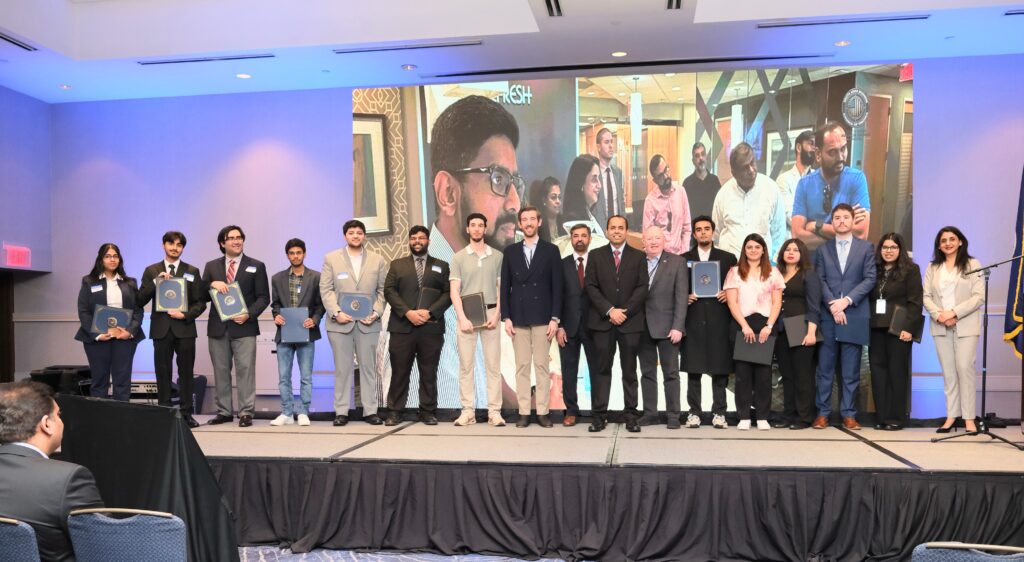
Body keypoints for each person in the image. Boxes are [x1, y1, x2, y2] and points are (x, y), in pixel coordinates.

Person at [427, 94, 522, 409]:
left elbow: (480, 377)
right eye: (498, 179)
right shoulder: (431, 315)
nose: (515, 203)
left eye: (513, 182)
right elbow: (444, 434)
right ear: (448, 193)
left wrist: (522, 404)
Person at [0, 380, 104, 562]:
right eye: (58, 415)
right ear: (46, 424)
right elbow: (103, 549)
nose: (62, 421)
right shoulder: (67, 479)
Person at [812, 204, 876, 430]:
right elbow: (819, 280)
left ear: (853, 220)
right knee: (825, 369)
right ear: (832, 222)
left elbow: (870, 278)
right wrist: (833, 305)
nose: (841, 221)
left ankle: (849, 414)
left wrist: (846, 301)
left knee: (851, 371)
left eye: (845, 217)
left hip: (854, 314)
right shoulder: (822, 249)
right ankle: (823, 413)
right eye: (837, 217)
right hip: (829, 316)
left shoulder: (866, 247)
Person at [320, 220, 388, 426]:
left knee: (369, 369)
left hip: (368, 323)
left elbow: (383, 290)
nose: (356, 236)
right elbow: (326, 290)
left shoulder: (378, 260)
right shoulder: (331, 258)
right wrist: (336, 313)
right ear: (345, 236)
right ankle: (341, 411)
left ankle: (370, 411)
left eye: (359, 232)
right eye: (351, 233)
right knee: (343, 369)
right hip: (340, 324)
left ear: (364, 235)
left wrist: (376, 313)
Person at [585, 215, 648, 433]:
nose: (617, 231)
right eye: (613, 228)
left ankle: (631, 415)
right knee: (601, 370)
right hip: (603, 322)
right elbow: (591, 286)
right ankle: (599, 416)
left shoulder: (639, 257)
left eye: (621, 227)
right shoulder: (595, 255)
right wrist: (610, 310)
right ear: (607, 231)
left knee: (629, 371)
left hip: (630, 323)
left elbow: (642, 287)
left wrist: (625, 311)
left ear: (626, 231)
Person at [500, 206, 562, 428]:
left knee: (542, 366)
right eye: (524, 219)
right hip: (518, 317)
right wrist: (506, 317)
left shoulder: (551, 250)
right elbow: (505, 287)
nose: (528, 223)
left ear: (539, 222)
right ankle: (524, 412)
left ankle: (543, 412)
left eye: (532, 219)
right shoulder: (511, 252)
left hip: (544, 317)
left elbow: (558, 287)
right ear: (520, 223)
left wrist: (555, 318)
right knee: (522, 366)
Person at [383, 226, 452, 426]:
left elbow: (448, 293)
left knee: (429, 372)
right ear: (409, 241)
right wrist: (408, 313)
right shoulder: (397, 265)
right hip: (402, 327)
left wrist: (429, 312)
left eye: (421, 238)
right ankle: (395, 411)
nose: (417, 241)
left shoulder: (442, 265)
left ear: (428, 241)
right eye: (413, 238)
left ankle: (428, 411)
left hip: (431, 328)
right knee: (399, 372)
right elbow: (389, 291)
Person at [202, 225, 270, 428]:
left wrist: (248, 314)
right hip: (218, 327)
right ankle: (223, 412)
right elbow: (200, 294)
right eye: (231, 238)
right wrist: (211, 285)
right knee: (221, 370)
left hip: (245, 327)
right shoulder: (211, 266)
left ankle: (246, 412)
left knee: (246, 371)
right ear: (222, 243)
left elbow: (263, 298)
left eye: (239, 237)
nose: (236, 241)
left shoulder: (256, 265)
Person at [138, 231, 206, 427]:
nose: (175, 248)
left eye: (179, 245)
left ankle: (186, 414)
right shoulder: (151, 270)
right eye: (171, 244)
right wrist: (156, 282)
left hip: (185, 328)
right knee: (162, 372)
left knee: (186, 373)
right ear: (163, 245)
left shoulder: (192, 271)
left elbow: (200, 303)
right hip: (161, 329)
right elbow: (139, 300)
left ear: (183, 248)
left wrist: (185, 314)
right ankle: (165, 414)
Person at [923, 226, 984, 433]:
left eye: (952, 239)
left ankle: (969, 419)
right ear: (939, 246)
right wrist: (939, 315)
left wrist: (954, 313)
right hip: (940, 325)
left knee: (964, 369)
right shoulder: (933, 267)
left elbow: (978, 297)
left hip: (966, 325)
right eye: (943, 241)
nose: (948, 243)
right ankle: (951, 416)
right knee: (949, 373)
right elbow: (926, 297)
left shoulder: (973, 264)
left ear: (960, 241)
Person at [681, 216, 737, 429]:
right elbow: (677, 288)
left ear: (713, 232)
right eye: (699, 229)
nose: (703, 232)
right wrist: (684, 297)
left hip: (719, 319)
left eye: (707, 229)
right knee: (693, 369)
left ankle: (719, 412)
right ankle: (694, 412)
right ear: (694, 234)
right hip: (693, 319)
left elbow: (737, 286)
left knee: (720, 368)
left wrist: (728, 293)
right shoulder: (683, 259)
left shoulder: (728, 258)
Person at [724, 234, 784, 430]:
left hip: (766, 324)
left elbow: (777, 303)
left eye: (757, 247)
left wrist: (769, 326)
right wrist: (744, 326)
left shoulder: (773, 272)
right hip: (742, 324)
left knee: (764, 374)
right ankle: (743, 416)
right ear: (744, 250)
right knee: (742, 374)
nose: (753, 250)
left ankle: (762, 416)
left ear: (763, 250)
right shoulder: (734, 272)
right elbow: (732, 303)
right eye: (749, 247)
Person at [450, 213, 504, 427]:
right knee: (466, 366)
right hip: (467, 317)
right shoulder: (459, 257)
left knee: (493, 366)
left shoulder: (497, 256)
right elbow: (454, 291)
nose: (477, 229)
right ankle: (467, 411)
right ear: (467, 229)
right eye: (473, 225)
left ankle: (494, 412)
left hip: (491, 314)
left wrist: (497, 314)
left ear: (485, 229)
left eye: (480, 225)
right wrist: (462, 318)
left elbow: (501, 289)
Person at [75, 243, 144, 402]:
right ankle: (100, 417)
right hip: (98, 339)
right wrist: (97, 334)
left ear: (119, 259)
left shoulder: (130, 282)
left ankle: (121, 416)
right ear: (101, 259)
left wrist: (129, 332)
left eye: (115, 256)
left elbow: (138, 310)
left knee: (122, 381)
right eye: (108, 256)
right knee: (99, 381)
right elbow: (83, 311)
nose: (112, 260)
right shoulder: (89, 281)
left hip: (124, 338)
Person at [869, 233, 922, 431]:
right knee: (878, 373)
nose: (888, 251)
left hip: (899, 329)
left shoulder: (911, 270)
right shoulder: (874, 270)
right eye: (885, 247)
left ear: (900, 250)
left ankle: (896, 418)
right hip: (876, 328)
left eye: (893, 247)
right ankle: (882, 417)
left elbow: (915, 301)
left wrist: (909, 328)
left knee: (897, 373)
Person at [270, 238, 325, 427]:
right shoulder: (277, 278)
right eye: (292, 253)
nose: (295, 256)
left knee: (306, 376)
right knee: (283, 376)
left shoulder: (316, 277)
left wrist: (315, 320)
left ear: (304, 254)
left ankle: (303, 412)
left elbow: (320, 305)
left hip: (306, 332)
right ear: (287, 255)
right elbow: (275, 304)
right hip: (284, 331)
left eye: (298, 253)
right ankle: (286, 412)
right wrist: (276, 315)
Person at [637, 226, 688, 428]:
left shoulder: (677, 262)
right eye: (649, 238)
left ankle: (673, 415)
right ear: (643, 241)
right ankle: (650, 413)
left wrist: (678, 326)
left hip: (669, 328)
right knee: (647, 373)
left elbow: (682, 297)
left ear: (664, 240)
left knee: (671, 373)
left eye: (657, 238)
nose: (654, 242)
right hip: (642, 327)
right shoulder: (636, 262)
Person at [791, 123, 871, 251]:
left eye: (843, 149)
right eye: (832, 152)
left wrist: (818, 226)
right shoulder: (804, 185)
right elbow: (798, 236)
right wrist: (843, 238)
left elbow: (860, 235)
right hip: (813, 262)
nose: (840, 157)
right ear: (818, 154)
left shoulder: (856, 179)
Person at [772, 238, 822, 429]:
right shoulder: (776, 274)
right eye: (788, 249)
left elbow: (814, 306)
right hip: (781, 329)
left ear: (802, 254)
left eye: (795, 250)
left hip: (802, 328)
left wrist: (811, 332)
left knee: (803, 376)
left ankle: (804, 417)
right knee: (787, 375)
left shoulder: (808, 274)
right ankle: (788, 415)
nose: (791, 253)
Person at [555, 224, 599, 427]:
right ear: (570, 239)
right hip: (568, 327)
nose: (579, 239)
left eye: (583, 235)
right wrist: (559, 325)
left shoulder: (598, 263)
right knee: (569, 371)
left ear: (589, 238)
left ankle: (598, 412)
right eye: (575, 236)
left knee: (597, 371)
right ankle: (571, 411)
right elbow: (557, 297)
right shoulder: (561, 264)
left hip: (594, 326)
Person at [711, 142, 786, 260]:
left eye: (752, 162)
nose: (751, 170)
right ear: (734, 173)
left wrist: (770, 263)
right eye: (745, 167)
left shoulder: (771, 189)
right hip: (731, 266)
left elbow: (779, 233)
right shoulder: (723, 194)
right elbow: (715, 235)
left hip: (763, 266)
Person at [643, 154, 692, 254]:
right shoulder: (650, 201)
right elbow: (647, 236)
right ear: (655, 180)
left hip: (680, 254)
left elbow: (687, 228)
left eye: (666, 170)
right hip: (660, 256)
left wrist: (684, 253)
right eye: (661, 175)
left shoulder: (681, 192)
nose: (666, 176)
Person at [774, 130, 815, 239]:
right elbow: (792, 217)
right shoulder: (783, 180)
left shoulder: (819, 178)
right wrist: (815, 225)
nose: (814, 149)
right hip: (792, 242)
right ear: (799, 147)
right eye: (811, 143)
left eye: (816, 146)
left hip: (816, 242)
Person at [560, 154, 605, 237]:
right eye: (594, 179)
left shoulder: (588, 212)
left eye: (599, 178)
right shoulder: (574, 219)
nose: (599, 185)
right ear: (580, 182)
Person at [593, 128, 625, 229]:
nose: (611, 146)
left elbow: (621, 203)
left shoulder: (618, 173)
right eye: (606, 142)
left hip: (617, 230)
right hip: (600, 231)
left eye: (611, 141)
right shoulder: (593, 174)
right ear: (599, 147)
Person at [682, 142, 722, 221]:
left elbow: (720, 207)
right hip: (694, 227)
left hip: (711, 227)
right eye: (697, 156)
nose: (701, 158)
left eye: (703, 154)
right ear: (693, 161)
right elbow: (684, 212)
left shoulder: (715, 181)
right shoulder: (687, 184)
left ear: (706, 157)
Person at [530, 176, 563, 242]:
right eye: (553, 197)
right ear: (544, 200)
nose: (558, 201)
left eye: (559, 197)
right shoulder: (537, 225)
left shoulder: (564, 222)